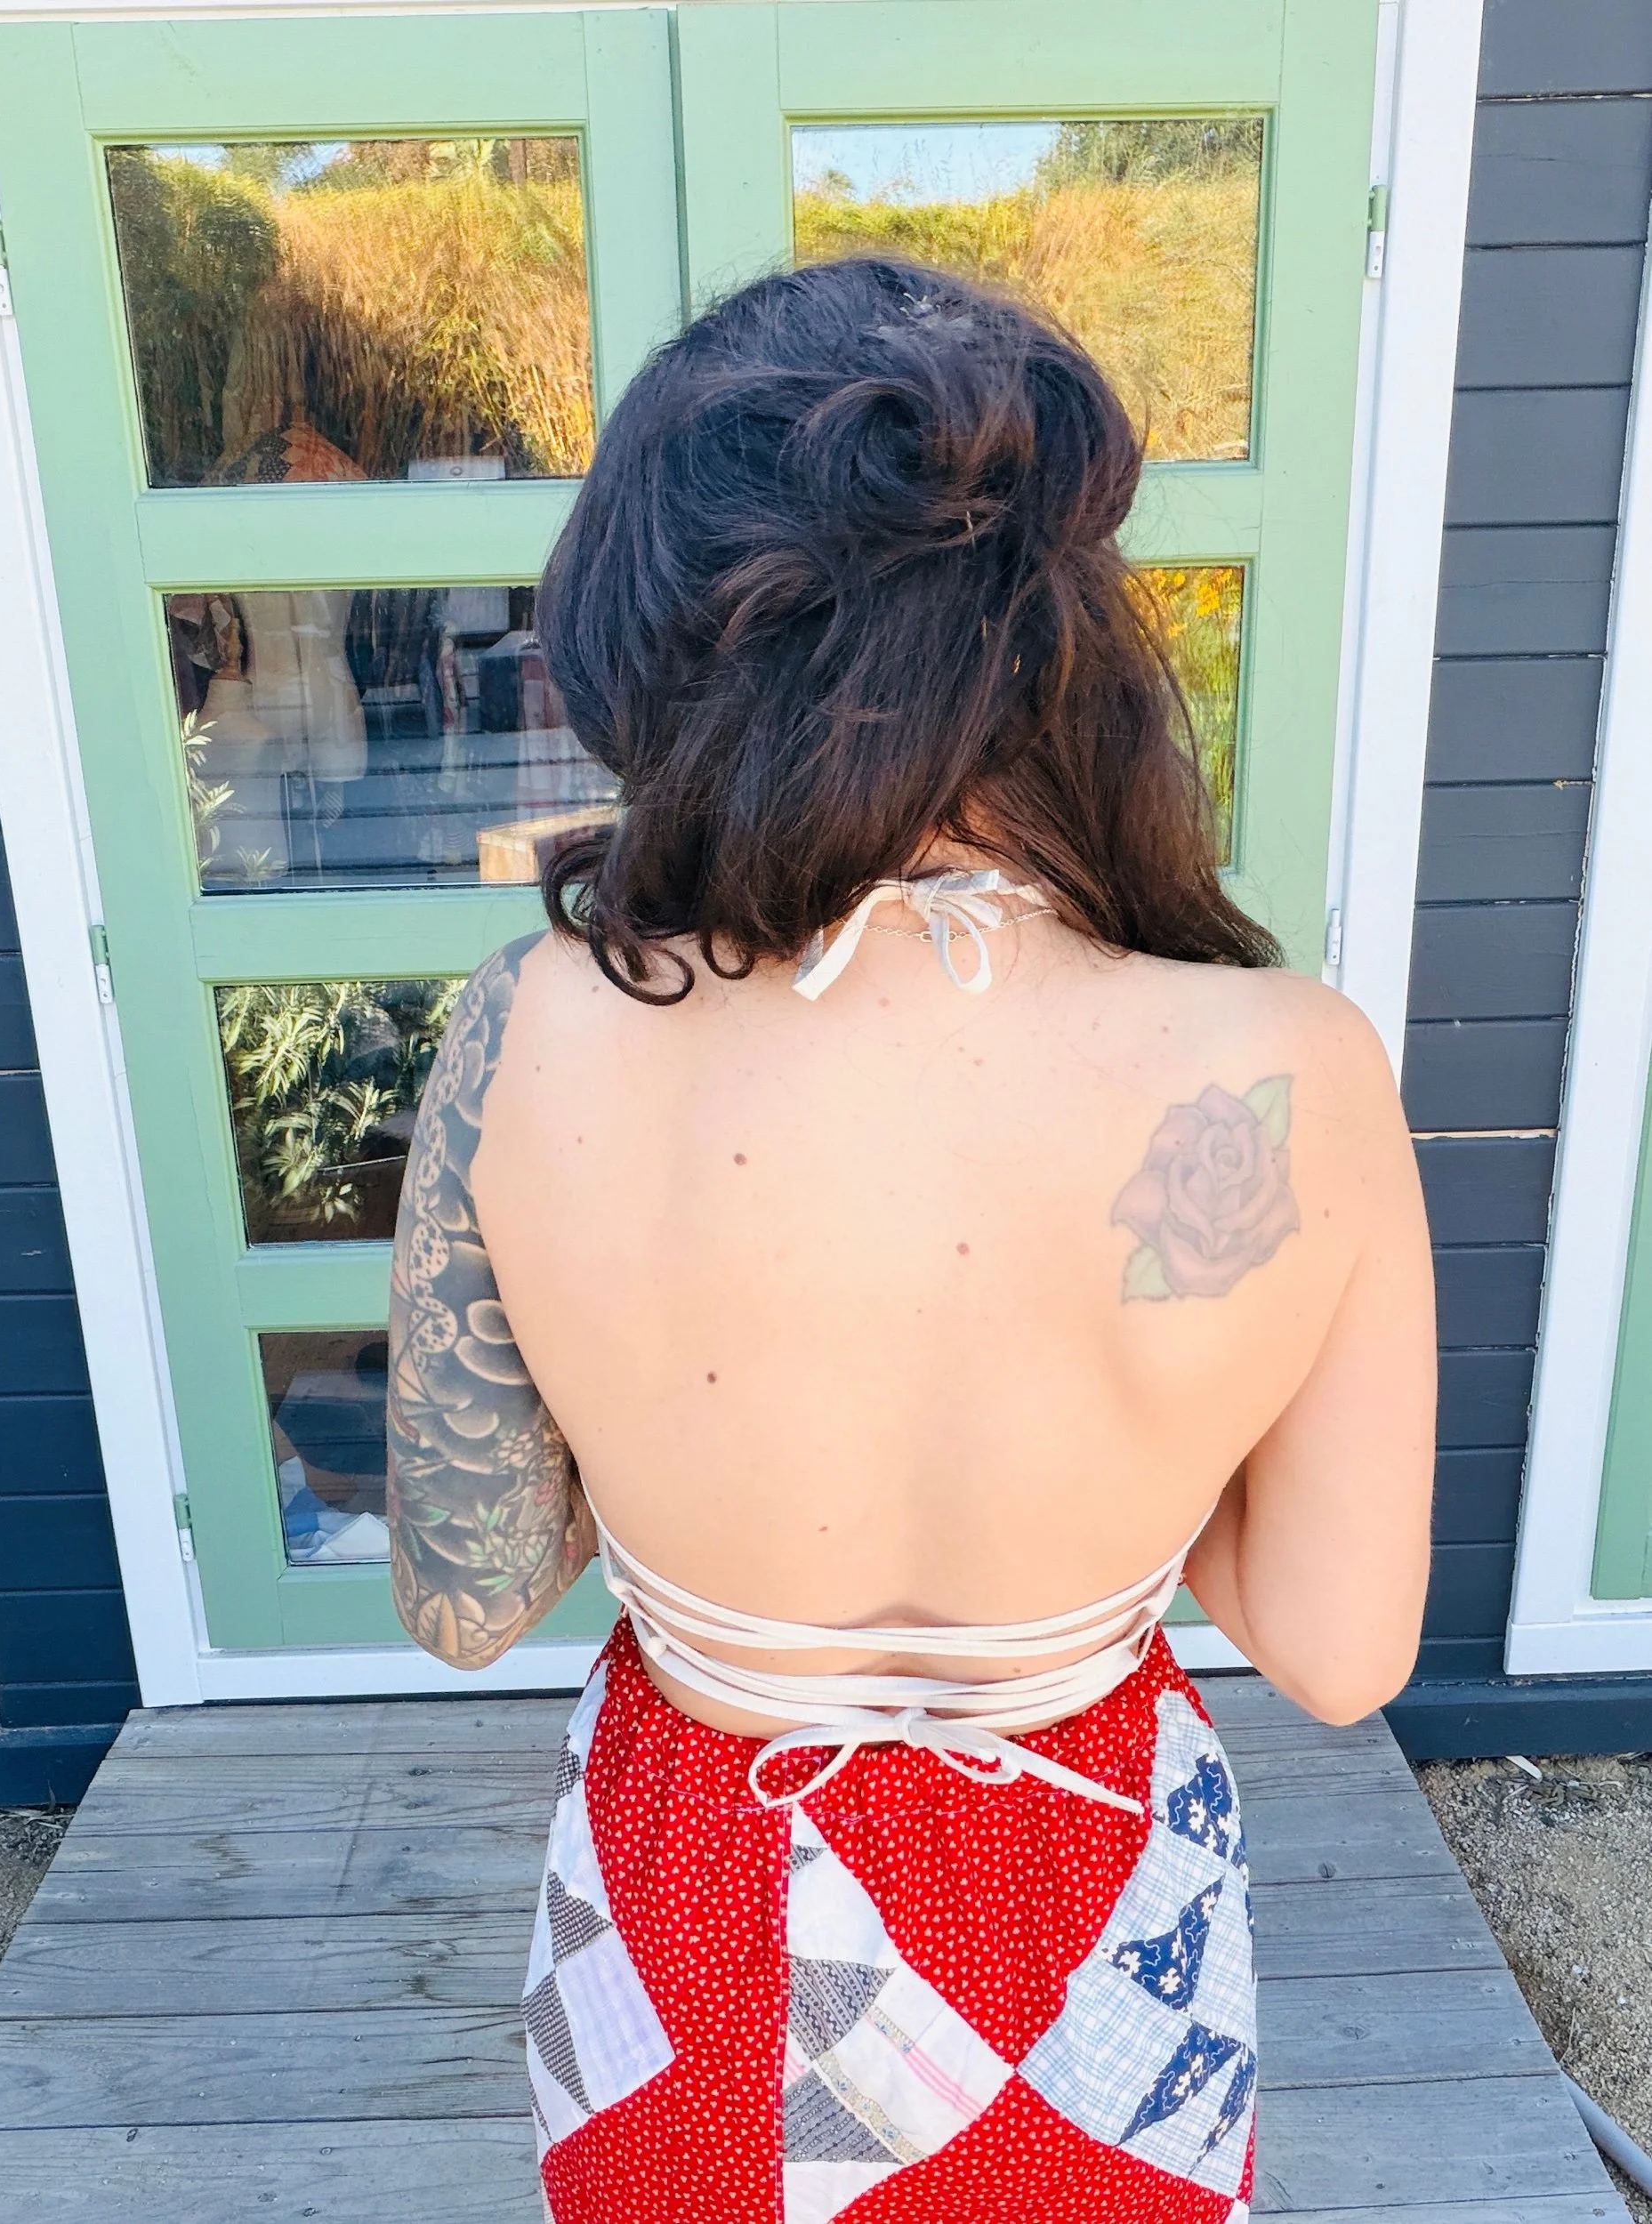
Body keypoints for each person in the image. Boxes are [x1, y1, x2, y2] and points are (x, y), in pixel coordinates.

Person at [386, 256, 1435, 2224]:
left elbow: (467, 1601)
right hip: (1095, 1925)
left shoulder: (528, 1031)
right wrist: (1137, 1437)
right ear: (1064, 644)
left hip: (693, 1928)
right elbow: (1336, 1646)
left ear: (659, 651)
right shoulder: (1278, 1068)